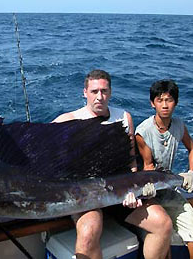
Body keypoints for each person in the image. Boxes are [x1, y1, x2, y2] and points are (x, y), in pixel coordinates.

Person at [52, 70, 172, 259]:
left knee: (163, 223)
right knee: (88, 233)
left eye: (104, 91)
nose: (99, 97)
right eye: (94, 91)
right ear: (84, 92)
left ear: (110, 92)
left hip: (122, 195)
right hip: (86, 198)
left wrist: (135, 189)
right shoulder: (68, 120)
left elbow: (131, 160)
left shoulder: (124, 117)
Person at [135, 79, 193, 259]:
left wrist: (192, 172)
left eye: (169, 100)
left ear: (176, 102)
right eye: (160, 100)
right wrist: (148, 187)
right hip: (148, 193)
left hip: (168, 189)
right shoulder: (143, 132)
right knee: (163, 237)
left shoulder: (178, 125)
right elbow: (148, 167)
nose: (165, 105)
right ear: (152, 103)